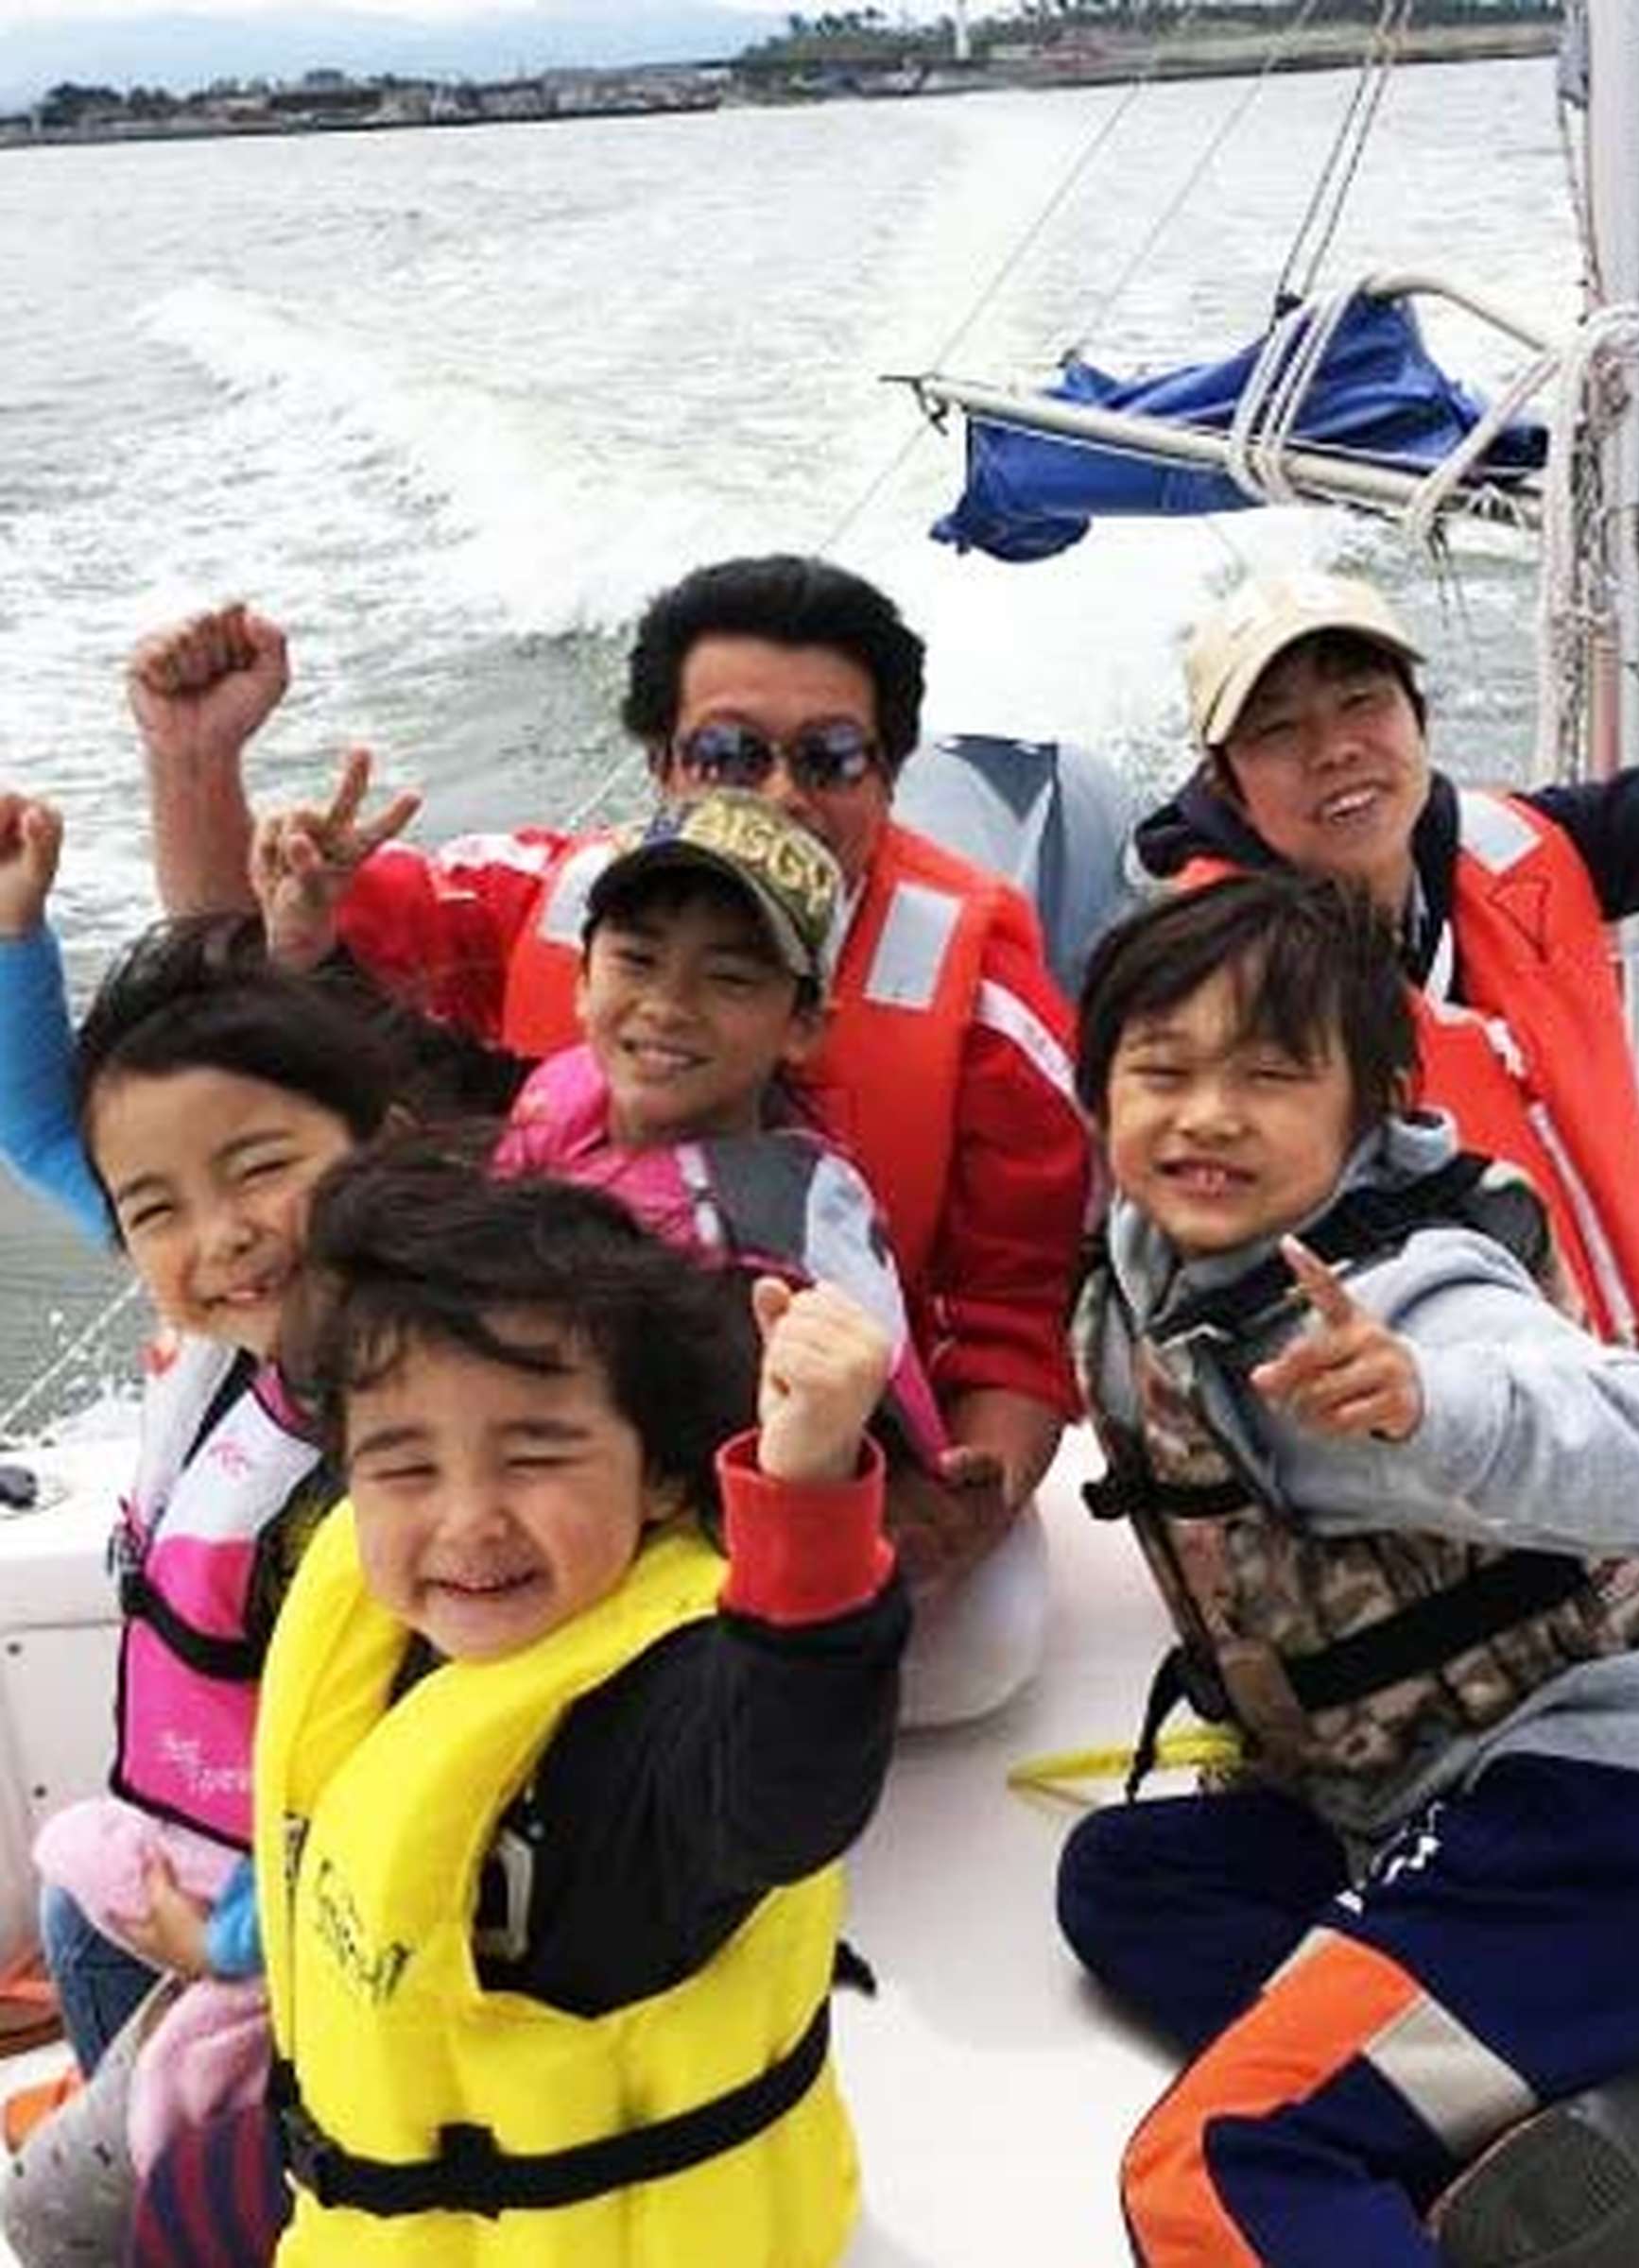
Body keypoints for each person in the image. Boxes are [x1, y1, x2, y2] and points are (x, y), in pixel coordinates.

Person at [129, 561, 1086, 1717]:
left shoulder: (979, 1001)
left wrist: (961, 1504)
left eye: (832, 757)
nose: (781, 793)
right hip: (529, 1474)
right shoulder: (551, 903)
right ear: (660, 763)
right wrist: (195, 761)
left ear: (888, 771)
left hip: (776, 1477)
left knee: (962, 1656)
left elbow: (1019, 1314)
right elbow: (241, 999)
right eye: (727, 753)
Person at [1054, 872, 1639, 2267]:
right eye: (1160, 1070)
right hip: (1419, 1800)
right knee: (1126, 1884)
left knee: (1217, 2161)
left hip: (1623, 1835)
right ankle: (1590, 2099)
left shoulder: (1415, 1305)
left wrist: (1437, 1408)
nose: (1206, 1114)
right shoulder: (1160, 1271)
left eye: (1270, 1075)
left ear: (1370, 1110)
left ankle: (1469, 2091)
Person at [211, 1143, 906, 2265]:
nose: (469, 1520)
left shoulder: (672, 1703)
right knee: (130, 2193)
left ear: (660, 1474)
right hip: (376, 2205)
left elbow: (789, 1789)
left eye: (535, 1455)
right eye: (406, 1467)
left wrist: (808, 1488)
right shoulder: (392, 1635)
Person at [0, 888, 416, 2261]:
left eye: (261, 1169)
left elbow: (419, 1763)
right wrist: (16, 943)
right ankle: (152, 2128)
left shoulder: (413, 1442)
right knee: (76, 1904)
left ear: (380, 1151)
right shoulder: (236, 1342)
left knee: (49, 2219)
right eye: (158, 1210)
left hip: (308, 1936)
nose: (219, 1233)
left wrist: (235, 1944)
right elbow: (51, 1132)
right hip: (201, 1855)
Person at [1127, 545, 1639, 1356]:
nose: (1335, 748)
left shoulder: (1519, 850)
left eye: (1362, 700)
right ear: (1225, 780)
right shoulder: (1218, 985)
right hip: (1429, 1409)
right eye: (1278, 729)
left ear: (1420, 718)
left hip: (1606, 1385)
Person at [470, 786, 953, 1479]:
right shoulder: (567, 1084)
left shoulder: (765, 1273)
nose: (667, 1006)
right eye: (637, 960)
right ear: (581, 979)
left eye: (729, 978)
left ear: (804, 1027)